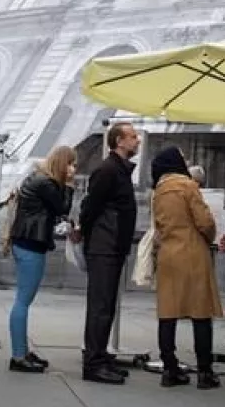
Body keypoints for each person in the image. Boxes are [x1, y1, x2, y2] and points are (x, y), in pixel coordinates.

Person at [150, 146, 222, 389]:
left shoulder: (158, 191)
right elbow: (204, 221)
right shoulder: (188, 186)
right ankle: (205, 372)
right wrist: (210, 236)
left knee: (167, 314)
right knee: (200, 314)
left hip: (168, 254)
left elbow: (158, 225)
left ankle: (170, 369)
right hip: (192, 252)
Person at [76, 121, 140, 385]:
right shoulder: (108, 170)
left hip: (111, 245)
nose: (137, 141)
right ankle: (93, 363)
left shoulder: (119, 171)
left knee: (106, 306)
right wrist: (90, 234)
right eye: (133, 137)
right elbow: (90, 206)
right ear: (119, 141)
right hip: (104, 246)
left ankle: (100, 357)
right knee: (100, 306)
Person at [5, 145, 77, 374]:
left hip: (25, 241)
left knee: (23, 299)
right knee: (23, 301)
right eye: (71, 163)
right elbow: (62, 208)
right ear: (62, 163)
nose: (73, 168)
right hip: (30, 243)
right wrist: (69, 185)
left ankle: (23, 351)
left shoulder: (37, 179)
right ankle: (18, 355)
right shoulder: (46, 183)